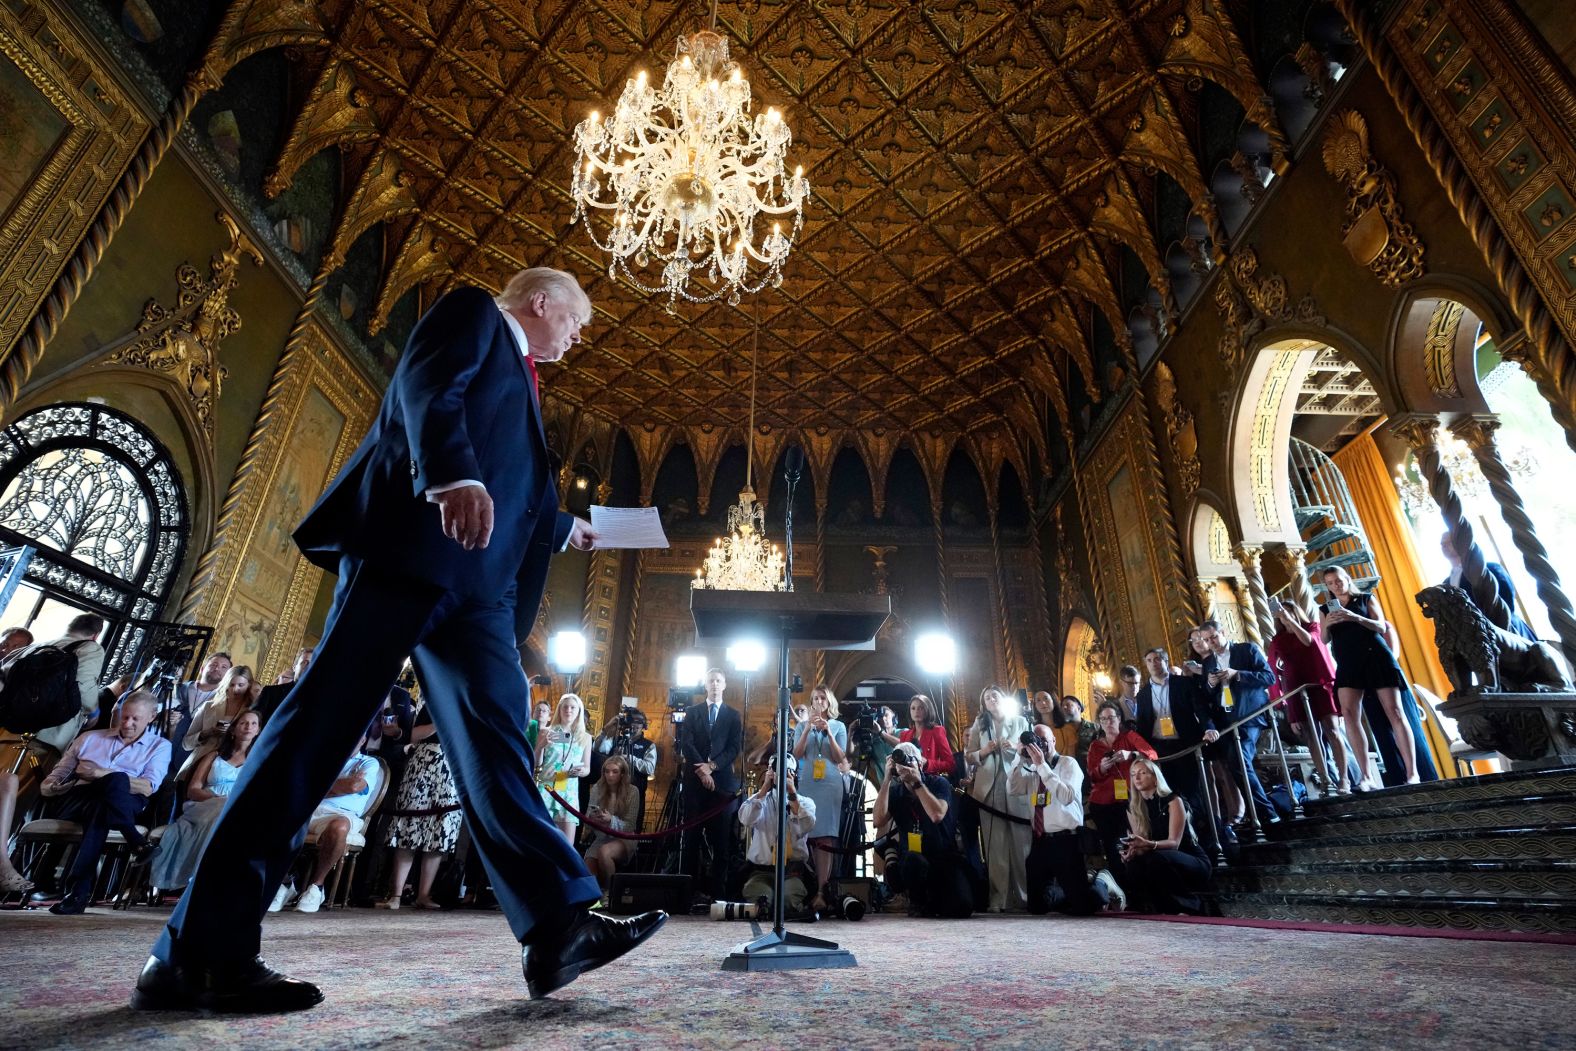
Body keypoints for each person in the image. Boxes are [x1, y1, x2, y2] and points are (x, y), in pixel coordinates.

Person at [133, 268, 664, 1014]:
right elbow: (427, 383)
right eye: (575, 320)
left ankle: (559, 926)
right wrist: (448, 474)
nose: (578, 337)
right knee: (315, 733)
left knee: (498, 743)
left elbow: (514, 484)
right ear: (540, 302)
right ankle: (198, 951)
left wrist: (561, 524)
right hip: (414, 551)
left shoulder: (525, 381)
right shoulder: (477, 312)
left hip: (479, 592)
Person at [40, 691, 171, 914]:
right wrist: (54, 786)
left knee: (114, 784)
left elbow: (148, 787)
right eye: (125, 716)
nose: (128, 723)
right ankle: (135, 840)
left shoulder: (160, 746)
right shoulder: (90, 738)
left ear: (152, 716)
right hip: (78, 798)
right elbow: (55, 777)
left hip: (127, 801)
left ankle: (78, 894)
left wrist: (101, 773)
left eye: (135, 719)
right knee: (107, 798)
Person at [1319, 566, 1418, 786]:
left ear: (1346, 579)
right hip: (1348, 662)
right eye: (1330, 583)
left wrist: (1354, 617)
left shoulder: (1365, 599)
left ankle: (1412, 773)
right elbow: (1324, 639)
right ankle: (1366, 776)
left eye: (1338, 580)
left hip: (1376, 655)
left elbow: (1381, 626)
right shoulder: (1325, 609)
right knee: (1349, 713)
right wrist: (1330, 624)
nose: (1336, 585)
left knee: (1395, 711)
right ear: (1327, 586)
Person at [1007, 722, 1115, 915]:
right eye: (1035, 741)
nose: (1039, 745)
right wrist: (1020, 756)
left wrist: (1042, 767)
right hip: (1040, 841)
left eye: (1043, 740)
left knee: (1083, 908)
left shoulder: (1068, 764)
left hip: (1067, 841)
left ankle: (1101, 881)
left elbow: (1066, 797)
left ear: (1054, 740)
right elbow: (1013, 788)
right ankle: (1067, 894)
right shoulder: (1032, 769)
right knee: (1037, 907)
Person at [149, 710, 261, 894]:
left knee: (235, 819)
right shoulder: (213, 756)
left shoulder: (259, 762)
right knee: (223, 809)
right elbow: (193, 790)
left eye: (253, 724)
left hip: (238, 810)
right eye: (243, 723)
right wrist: (219, 799)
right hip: (204, 805)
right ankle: (202, 878)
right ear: (233, 729)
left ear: (258, 731)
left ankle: (216, 879)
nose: (248, 727)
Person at [271, 749, 383, 915]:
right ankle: (286, 882)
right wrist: (340, 786)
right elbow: (300, 784)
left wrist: (320, 786)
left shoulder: (368, 762)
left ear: (363, 740)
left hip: (342, 813)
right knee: (274, 818)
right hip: (308, 809)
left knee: (339, 827)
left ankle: (317, 886)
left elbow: (354, 786)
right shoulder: (324, 756)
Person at [378, 701, 462, 910]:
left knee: (439, 829)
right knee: (410, 824)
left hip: (453, 766)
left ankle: (424, 894)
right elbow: (413, 735)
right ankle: (396, 894)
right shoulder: (436, 702)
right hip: (424, 762)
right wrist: (443, 724)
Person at [1195, 620, 1279, 826]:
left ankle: (1267, 814)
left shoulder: (1247, 650)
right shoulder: (1207, 663)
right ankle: (1260, 812)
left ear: (1223, 632)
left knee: (1239, 760)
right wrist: (1210, 684)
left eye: (1213, 637)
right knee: (1235, 764)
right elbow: (1207, 694)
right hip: (1226, 721)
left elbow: (1269, 677)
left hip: (1249, 717)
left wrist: (1238, 674)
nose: (1211, 642)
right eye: (1206, 640)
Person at [873, 742, 972, 918]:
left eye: (908, 762)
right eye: (899, 764)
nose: (903, 767)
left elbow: (937, 815)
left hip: (943, 856)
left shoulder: (938, 783)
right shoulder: (896, 791)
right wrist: (887, 779)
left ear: (919, 764)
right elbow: (878, 820)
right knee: (913, 860)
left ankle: (932, 900)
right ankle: (916, 900)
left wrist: (917, 783)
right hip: (912, 859)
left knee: (961, 907)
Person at [1267, 599, 1353, 795]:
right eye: (1282, 612)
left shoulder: (1312, 626)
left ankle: (1344, 778)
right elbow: (1272, 668)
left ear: (1296, 612)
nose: (1285, 615)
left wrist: (1291, 621)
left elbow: (1309, 641)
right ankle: (1324, 779)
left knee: (1332, 731)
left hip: (1318, 685)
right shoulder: (1278, 639)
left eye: (1289, 611)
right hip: (1297, 690)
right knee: (1311, 737)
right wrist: (1284, 706)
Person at [1134, 646, 1217, 842]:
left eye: (1158, 659)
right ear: (1146, 666)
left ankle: (1204, 837)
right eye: (1150, 660)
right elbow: (1142, 725)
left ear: (1165, 661)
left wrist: (1209, 727)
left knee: (1193, 792)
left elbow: (1201, 709)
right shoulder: (1143, 694)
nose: (1154, 663)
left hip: (1185, 745)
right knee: (1170, 794)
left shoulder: (1183, 683)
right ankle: (1182, 837)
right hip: (1160, 750)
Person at [677, 668, 742, 902]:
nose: (714, 684)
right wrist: (701, 769)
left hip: (721, 785)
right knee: (691, 839)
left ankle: (719, 895)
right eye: (711, 681)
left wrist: (712, 767)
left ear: (724, 685)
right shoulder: (692, 712)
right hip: (695, 784)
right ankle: (688, 893)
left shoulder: (733, 715)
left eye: (718, 681)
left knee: (722, 841)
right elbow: (687, 743)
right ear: (705, 685)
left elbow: (734, 748)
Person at [965, 684, 1031, 912]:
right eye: (987, 698)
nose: (992, 699)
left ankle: (1023, 896)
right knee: (996, 844)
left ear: (1003, 698)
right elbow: (969, 756)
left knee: (1021, 842)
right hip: (989, 787)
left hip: (1016, 784)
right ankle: (999, 898)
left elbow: (1029, 748)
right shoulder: (980, 725)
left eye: (995, 695)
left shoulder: (1020, 721)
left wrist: (1013, 745)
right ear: (984, 704)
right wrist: (984, 751)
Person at [1120, 757, 1212, 914]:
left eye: (1142, 772)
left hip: (1192, 859)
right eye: (1133, 774)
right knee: (1135, 864)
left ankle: (1191, 906)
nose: (1137, 777)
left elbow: (1174, 843)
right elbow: (1141, 842)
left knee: (1156, 859)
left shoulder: (1173, 800)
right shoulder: (1133, 806)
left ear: (1155, 778)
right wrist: (1132, 852)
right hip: (1160, 857)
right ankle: (1159, 908)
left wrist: (1148, 844)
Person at [1085, 699, 1156, 889]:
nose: (1108, 722)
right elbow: (1092, 775)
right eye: (1103, 719)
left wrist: (1131, 755)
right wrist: (1101, 768)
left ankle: (1142, 885)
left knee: (1136, 842)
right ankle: (1122, 887)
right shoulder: (1095, 746)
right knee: (1112, 847)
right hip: (1103, 802)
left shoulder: (1129, 737)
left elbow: (1152, 754)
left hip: (1130, 799)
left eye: (1111, 718)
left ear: (1119, 719)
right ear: (1099, 722)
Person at [737, 754, 817, 916]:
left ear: (793, 774)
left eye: (785, 771)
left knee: (787, 901)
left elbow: (807, 824)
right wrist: (765, 787)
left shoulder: (806, 802)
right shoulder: (761, 800)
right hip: (761, 872)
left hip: (792, 872)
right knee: (761, 901)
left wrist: (792, 793)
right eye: (775, 771)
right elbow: (746, 818)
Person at [792, 683, 847, 913]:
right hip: (808, 782)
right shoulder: (801, 726)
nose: (818, 702)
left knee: (826, 836)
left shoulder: (838, 726)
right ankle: (807, 888)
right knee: (807, 833)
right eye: (815, 698)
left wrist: (828, 733)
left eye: (823, 698)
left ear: (829, 702)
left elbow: (839, 757)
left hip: (830, 784)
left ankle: (822, 892)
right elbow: (796, 754)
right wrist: (806, 729)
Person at [32, 613, 107, 753]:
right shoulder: (90, 648)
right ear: (96, 636)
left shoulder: (38, 646)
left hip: (8, 726)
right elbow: (82, 684)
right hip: (45, 734)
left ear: (70, 627)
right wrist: (93, 711)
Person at [1441, 530, 1537, 641]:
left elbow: (1507, 600)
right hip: (1476, 643)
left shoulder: (1490, 569)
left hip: (1510, 635)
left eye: (1449, 542)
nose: (1444, 545)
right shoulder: (1446, 584)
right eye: (1442, 543)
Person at [179, 665, 259, 780]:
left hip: (229, 772)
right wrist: (207, 733)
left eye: (241, 685)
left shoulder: (251, 712)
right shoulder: (209, 706)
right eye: (231, 685)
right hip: (196, 766)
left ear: (249, 685)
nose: (235, 689)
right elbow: (186, 744)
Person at [535, 693, 592, 846]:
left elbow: (587, 768)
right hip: (546, 788)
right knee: (541, 843)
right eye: (565, 707)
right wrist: (540, 746)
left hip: (568, 791)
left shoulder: (585, 737)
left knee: (566, 846)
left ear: (579, 711)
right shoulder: (546, 732)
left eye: (573, 707)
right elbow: (536, 764)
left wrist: (581, 771)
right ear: (559, 710)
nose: (569, 710)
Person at [582, 755, 640, 900]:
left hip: (624, 838)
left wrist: (611, 820)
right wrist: (593, 818)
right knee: (587, 864)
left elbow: (630, 825)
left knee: (604, 852)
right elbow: (588, 815)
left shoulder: (633, 791)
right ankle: (597, 896)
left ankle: (611, 893)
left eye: (614, 771)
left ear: (622, 773)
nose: (610, 775)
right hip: (602, 836)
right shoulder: (597, 788)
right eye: (607, 771)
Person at [880, 694, 954, 781]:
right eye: (913, 708)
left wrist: (927, 763)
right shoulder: (905, 734)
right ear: (910, 711)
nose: (916, 711)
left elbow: (950, 765)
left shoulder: (937, 731)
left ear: (927, 710)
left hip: (930, 782)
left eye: (921, 708)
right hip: (908, 784)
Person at [253, 648, 314, 727]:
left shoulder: (318, 699)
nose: (308, 667)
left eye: (312, 663)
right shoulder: (270, 692)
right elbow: (254, 722)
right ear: (294, 667)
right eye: (305, 662)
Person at [1052, 694, 1097, 771]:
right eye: (1062, 706)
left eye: (1068, 705)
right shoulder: (1060, 730)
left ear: (1079, 708)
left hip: (1089, 771)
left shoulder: (1094, 727)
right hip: (1067, 772)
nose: (1064, 707)